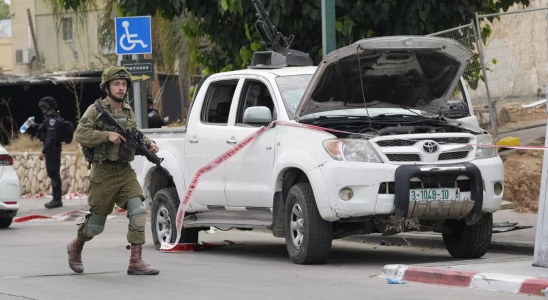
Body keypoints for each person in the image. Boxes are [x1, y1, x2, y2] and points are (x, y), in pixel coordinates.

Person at [66, 66, 160, 275]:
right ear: (107, 87)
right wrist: (105, 135)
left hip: (125, 172)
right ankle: (76, 246)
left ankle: (136, 261)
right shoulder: (95, 109)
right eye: (116, 84)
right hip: (103, 174)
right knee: (95, 226)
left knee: (137, 211)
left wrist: (149, 143)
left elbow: (135, 133)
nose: (121, 88)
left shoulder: (128, 110)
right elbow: (80, 134)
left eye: (124, 84)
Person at [29, 97, 63, 209]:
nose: (42, 109)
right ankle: (56, 199)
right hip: (51, 150)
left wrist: (43, 152)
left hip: (52, 150)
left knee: (54, 174)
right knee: (53, 173)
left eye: (43, 107)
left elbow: (50, 137)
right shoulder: (50, 119)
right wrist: (35, 125)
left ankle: (57, 200)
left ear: (47, 107)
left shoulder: (53, 120)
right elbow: (46, 129)